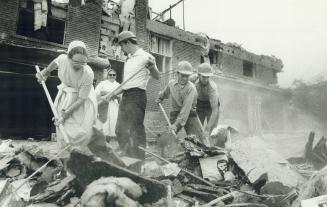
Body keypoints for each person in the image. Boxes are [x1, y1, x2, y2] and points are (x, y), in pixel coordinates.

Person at [105, 31, 160, 159]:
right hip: (126, 96)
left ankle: (138, 161)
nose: (122, 50)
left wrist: (152, 67)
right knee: (119, 129)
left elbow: (157, 76)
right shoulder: (128, 60)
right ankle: (128, 156)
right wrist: (111, 95)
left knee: (136, 130)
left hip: (137, 96)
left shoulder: (146, 57)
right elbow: (125, 84)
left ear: (127, 42)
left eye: (122, 46)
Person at [35, 40, 97, 149]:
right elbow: (54, 63)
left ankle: (78, 154)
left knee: (80, 131)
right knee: (61, 125)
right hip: (65, 96)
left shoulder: (88, 73)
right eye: (76, 62)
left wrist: (66, 114)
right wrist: (44, 73)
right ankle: (64, 153)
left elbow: (81, 99)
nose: (79, 65)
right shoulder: (62, 59)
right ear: (69, 57)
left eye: (83, 63)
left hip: (81, 101)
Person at [156, 61, 210, 146]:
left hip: (190, 114)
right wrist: (160, 97)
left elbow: (185, 110)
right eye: (182, 75)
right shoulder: (171, 83)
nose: (185, 78)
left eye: (187, 76)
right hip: (176, 112)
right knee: (167, 136)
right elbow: (165, 93)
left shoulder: (191, 88)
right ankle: (164, 153)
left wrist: (176, 125)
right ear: (177, 73)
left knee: (196, 141)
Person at [190, 63, 220, 138]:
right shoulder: (192, 79)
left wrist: (207, 128)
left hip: (211, 106)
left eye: (208, 77)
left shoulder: (212, 88)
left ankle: (212, 147)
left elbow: (215, 111)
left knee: (211, 131)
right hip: (199, 104)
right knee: (197, 129)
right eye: (204, 77)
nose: (206, 80)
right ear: (198, 75)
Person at [95, 68, 120, 141]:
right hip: (103, 105)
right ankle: (102, 139)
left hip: (113, 105)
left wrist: (108, 94)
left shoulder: (118, 85)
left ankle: (108, 140)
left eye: (113, 75)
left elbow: (120, 96)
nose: (112, 76)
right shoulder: (102, 83)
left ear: (116, 76)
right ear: (107, 75)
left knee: (112, 122)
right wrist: (108, 94)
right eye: (110, 75)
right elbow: (96, 93)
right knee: (103, 123)